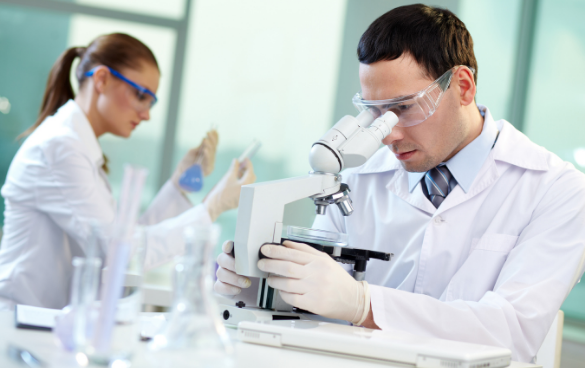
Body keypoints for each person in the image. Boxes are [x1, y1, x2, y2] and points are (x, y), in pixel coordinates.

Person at [214, 5, 585, 363]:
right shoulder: (359, 178)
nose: (389, 135)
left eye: (404, 108)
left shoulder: (558, 191)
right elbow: (319, 302)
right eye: (375, 112)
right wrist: (265, 282)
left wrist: (365, 305)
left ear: (464, 87)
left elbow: (510, 333)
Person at [0, 33, 256, 311]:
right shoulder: (61, 148)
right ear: (101, 80)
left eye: (151, 101)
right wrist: (212, 207)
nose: (146, 114)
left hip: (42, 322)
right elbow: (119, 252)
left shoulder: (75, 145)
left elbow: (127, 236)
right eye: (141, 95)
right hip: (20, 324)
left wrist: (180, 184)